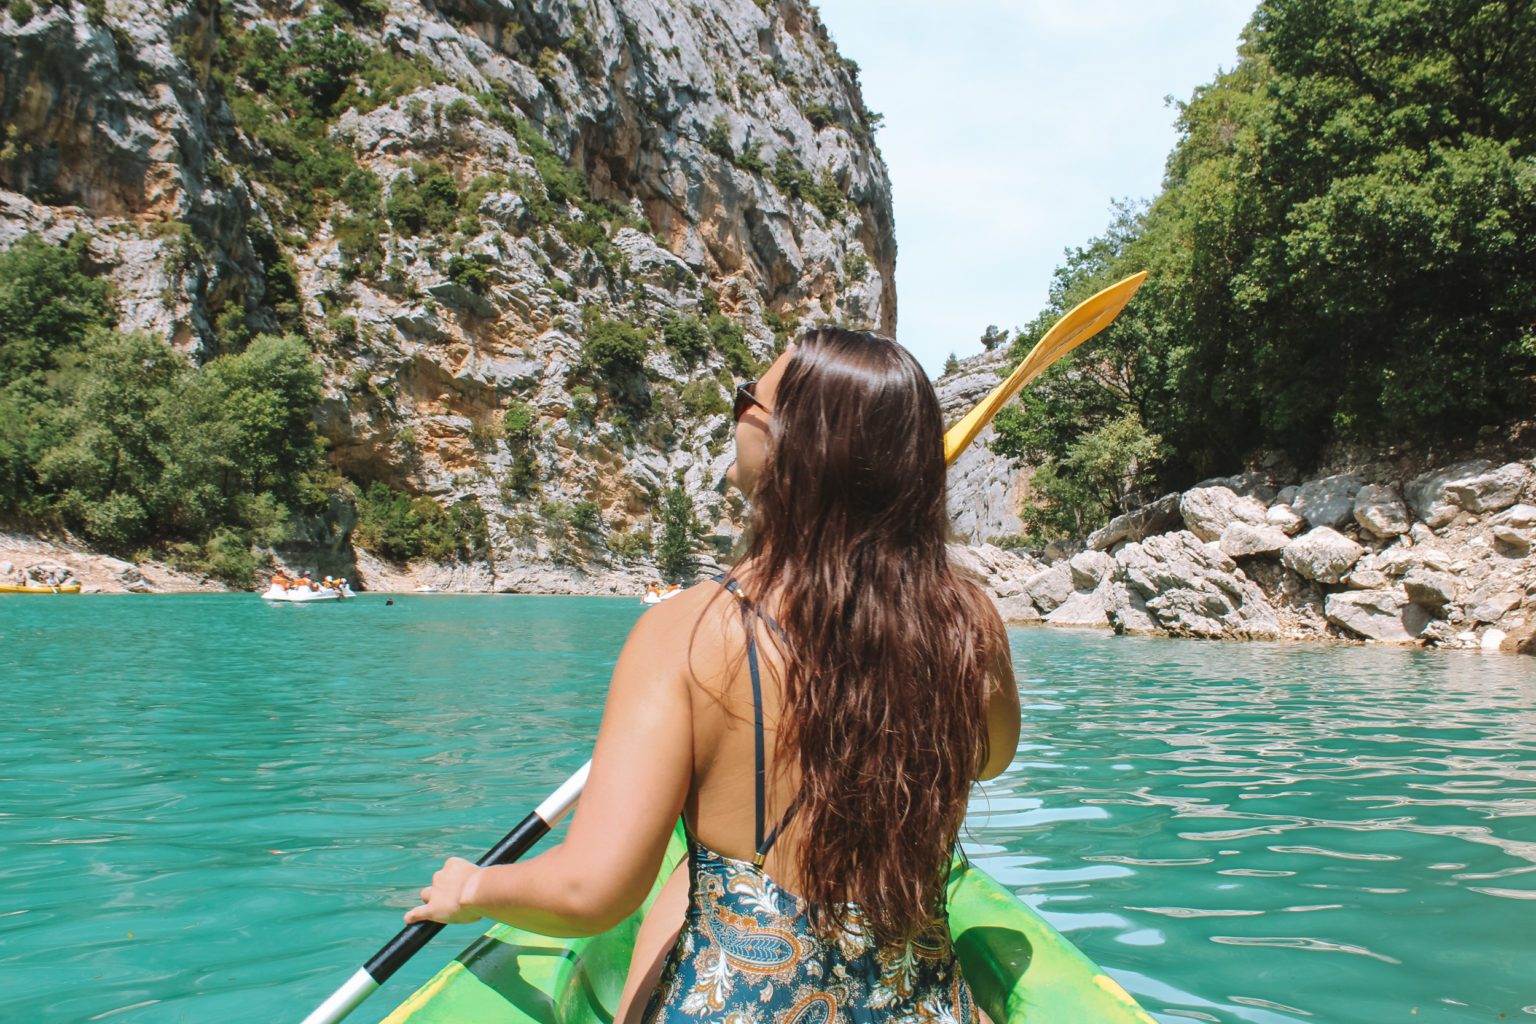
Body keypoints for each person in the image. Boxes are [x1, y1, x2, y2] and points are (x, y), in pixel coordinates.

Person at [406, 327, 1021, 1024]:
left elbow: (593, 892)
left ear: (793, 445)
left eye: (743, 401)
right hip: (922, 1008)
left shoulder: (686, 631)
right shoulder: (969, 625)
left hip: (742, 1006)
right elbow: (991, 760)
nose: (734, 417)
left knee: (693, 876)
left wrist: (476, 889)